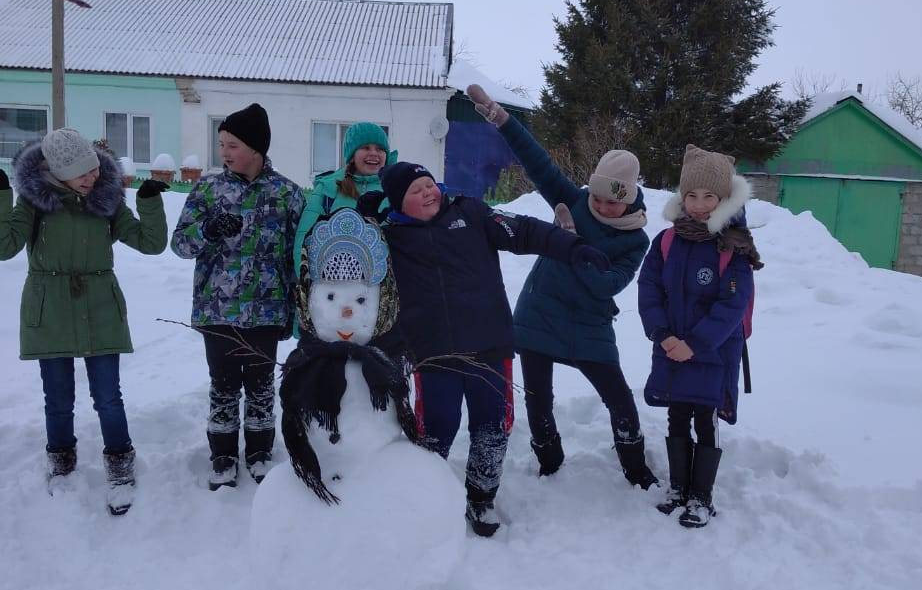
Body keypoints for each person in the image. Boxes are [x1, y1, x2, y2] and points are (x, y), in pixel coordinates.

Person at [371, 160, 612, 537]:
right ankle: (422, 497)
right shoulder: (390, 239)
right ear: (399, 204)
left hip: (488, 346)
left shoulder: (471, 214)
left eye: (429, 184)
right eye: (416, 192)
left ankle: (481, 497)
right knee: (435, 430)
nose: (428, 193)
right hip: (434, 356)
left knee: (492, 427)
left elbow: (525, 231)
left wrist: (574, 247)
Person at [465, 83, 657, 490]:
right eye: (599, 198)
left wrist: (573, 246)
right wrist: (502, 119)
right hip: (540, 313)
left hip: (590, 325)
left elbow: (608, 286)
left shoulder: (635, 241)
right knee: (538, 397)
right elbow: (538, 164)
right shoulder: (575, 199)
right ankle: (549, 462)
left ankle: (636, 469)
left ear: (631, 199)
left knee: (619, 399)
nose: (603, 207)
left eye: (613, 202)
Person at [0, 129, 169, 515]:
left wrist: (149, 204)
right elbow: (4, 246)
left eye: (93, 169)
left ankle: (120, 469)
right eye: (81, 173)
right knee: (58, 400)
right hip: (51, 309)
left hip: (99, 307)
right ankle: (61, 465)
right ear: (58, 172)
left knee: (108, 397)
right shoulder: (35, 202)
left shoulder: (105, 198)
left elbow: (149, 242)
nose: (91, 178)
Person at [171, 103, 305, 489]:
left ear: (256, 148)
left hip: (267, 308)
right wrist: (209, 229)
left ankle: (261, 450)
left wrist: (297, 304)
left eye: (232, 144)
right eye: (222, 144)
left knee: (261, 383)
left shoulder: (286, 195)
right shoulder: (208, 189)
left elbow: (297, 254)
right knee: (224, 383)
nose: (224, 152)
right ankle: (223, 454)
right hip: (218, 308)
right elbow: (180, 244)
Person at [637, 144, 762, 527]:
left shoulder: (733, 246)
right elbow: (649, 288)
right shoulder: (666, 241)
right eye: (691, 195)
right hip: (671, 346)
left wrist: (694, 343)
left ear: (724, 197)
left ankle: (701, 498)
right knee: (676, 416)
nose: (699, 203)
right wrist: (662, 334)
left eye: (709, 196)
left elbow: (732, 306)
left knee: (705, 419)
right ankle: (678, 489)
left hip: (711, 352)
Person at [293, 122, 395, 275]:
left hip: (385, 287)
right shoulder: (328, 188)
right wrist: (304, 280)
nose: (374, 153)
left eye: (380, 149)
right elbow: (304, 238)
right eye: (365, 147)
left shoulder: (396, 189)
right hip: (333, 286)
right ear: (352, 155)